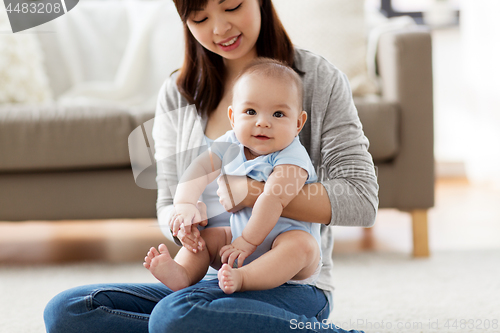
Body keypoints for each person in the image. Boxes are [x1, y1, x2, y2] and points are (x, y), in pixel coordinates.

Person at [44, 0, 378, 332]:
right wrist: (184, 224)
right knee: (69, 310)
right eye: (200, 17)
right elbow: (168, 200)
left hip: (291, 286)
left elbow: (361, 200)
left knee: (175, 315)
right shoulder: (178, 94)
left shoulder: (317, 80)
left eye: (232, 7)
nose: (219, 29)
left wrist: (253, 193)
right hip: (208, 279)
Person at [144, 58, 322, 294]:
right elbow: (198, 170)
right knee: (207, 239)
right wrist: (185, 205)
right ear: (233, 117)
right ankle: (182, 273)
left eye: (278, 114)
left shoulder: (292, 157)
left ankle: (244, 278)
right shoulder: (230, 143)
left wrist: (247, 242)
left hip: (285, 251)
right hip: (237, 239)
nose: (262, 122)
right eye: (250, 111)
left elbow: (273, 198)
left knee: (300, 245)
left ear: (298, 123)